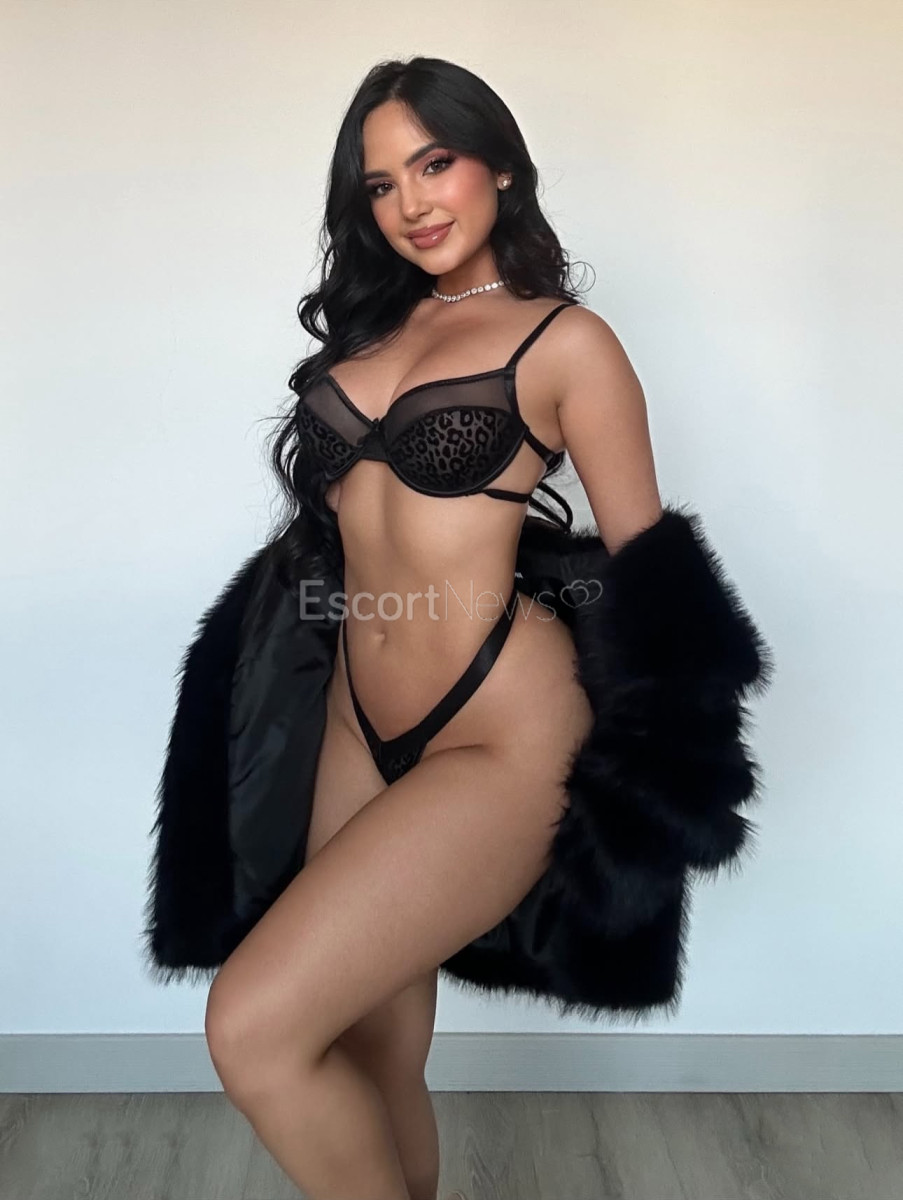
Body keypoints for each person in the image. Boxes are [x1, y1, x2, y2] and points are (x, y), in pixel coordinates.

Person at [143, 57, 774, 1200]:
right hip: (355, 727)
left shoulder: (566, 343)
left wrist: (664, 781)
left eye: (434, 164)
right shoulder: (367, 337)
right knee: (371, 1051)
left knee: (253, 1028)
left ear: (502, 167)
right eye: (382, 184)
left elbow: (651, 579)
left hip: (499, 734)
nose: (412, 204)